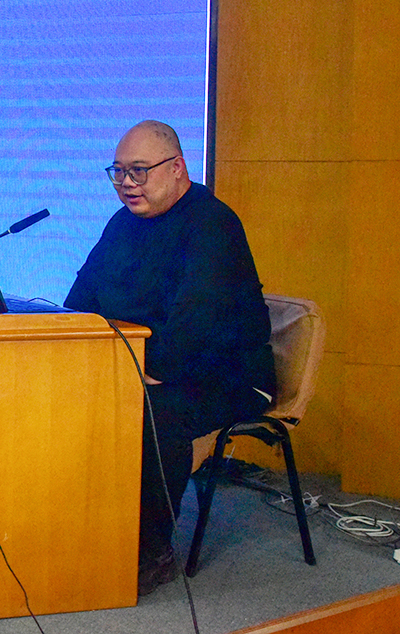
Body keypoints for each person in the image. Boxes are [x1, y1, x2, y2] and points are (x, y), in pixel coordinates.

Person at [63, 120, 276, 596]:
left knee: (151, 413)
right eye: (118, 172)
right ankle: (73, 528)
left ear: (177, 168)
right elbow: (80, 300)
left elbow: (196, 327)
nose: (126, 183)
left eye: (138, 171)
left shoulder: (213, 225)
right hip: (149, 365)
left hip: (228, 375)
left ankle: (150, 549)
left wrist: (141, 374)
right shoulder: (122, 224)